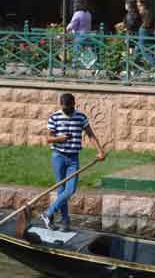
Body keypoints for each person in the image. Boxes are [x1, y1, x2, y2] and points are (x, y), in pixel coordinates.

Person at [40, 93, 106, 231]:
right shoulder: (55, 117)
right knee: (61, 191)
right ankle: (65, 222)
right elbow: (48, 139)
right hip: (58, 156)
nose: (66, 110)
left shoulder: (81, 117)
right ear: (61, 105)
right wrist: (60, 138)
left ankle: (48, 213)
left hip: (73, 158)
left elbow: (90, 135)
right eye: (64, 108)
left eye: (68, 108)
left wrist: (100, 151)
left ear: (73, 104)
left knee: (70, 190)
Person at [136, 0, 155, 66]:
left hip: (144, 30)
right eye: (137, 6)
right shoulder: (147, 12)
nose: (138, 8)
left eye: (140, 6)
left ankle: (153, 65)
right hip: (145, 30)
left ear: (144, 5)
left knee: (143, 49)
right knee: (138, 48)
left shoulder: (147, 12)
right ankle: (135, 64)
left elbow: (147, 23)